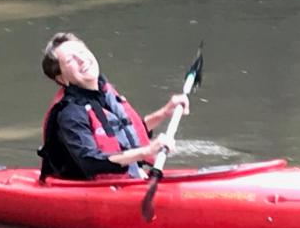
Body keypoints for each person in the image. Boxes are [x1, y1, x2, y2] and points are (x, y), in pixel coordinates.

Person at [38, 32, 189, 180]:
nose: (82, 60)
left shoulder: (103, 92)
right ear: (62, 78)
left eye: (82, 52)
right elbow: (90, 161)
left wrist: (165, 112)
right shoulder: (70, 114)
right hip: (90, 187)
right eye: (71, 59)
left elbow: (127, 131)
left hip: (131, 178)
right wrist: (147, 151)